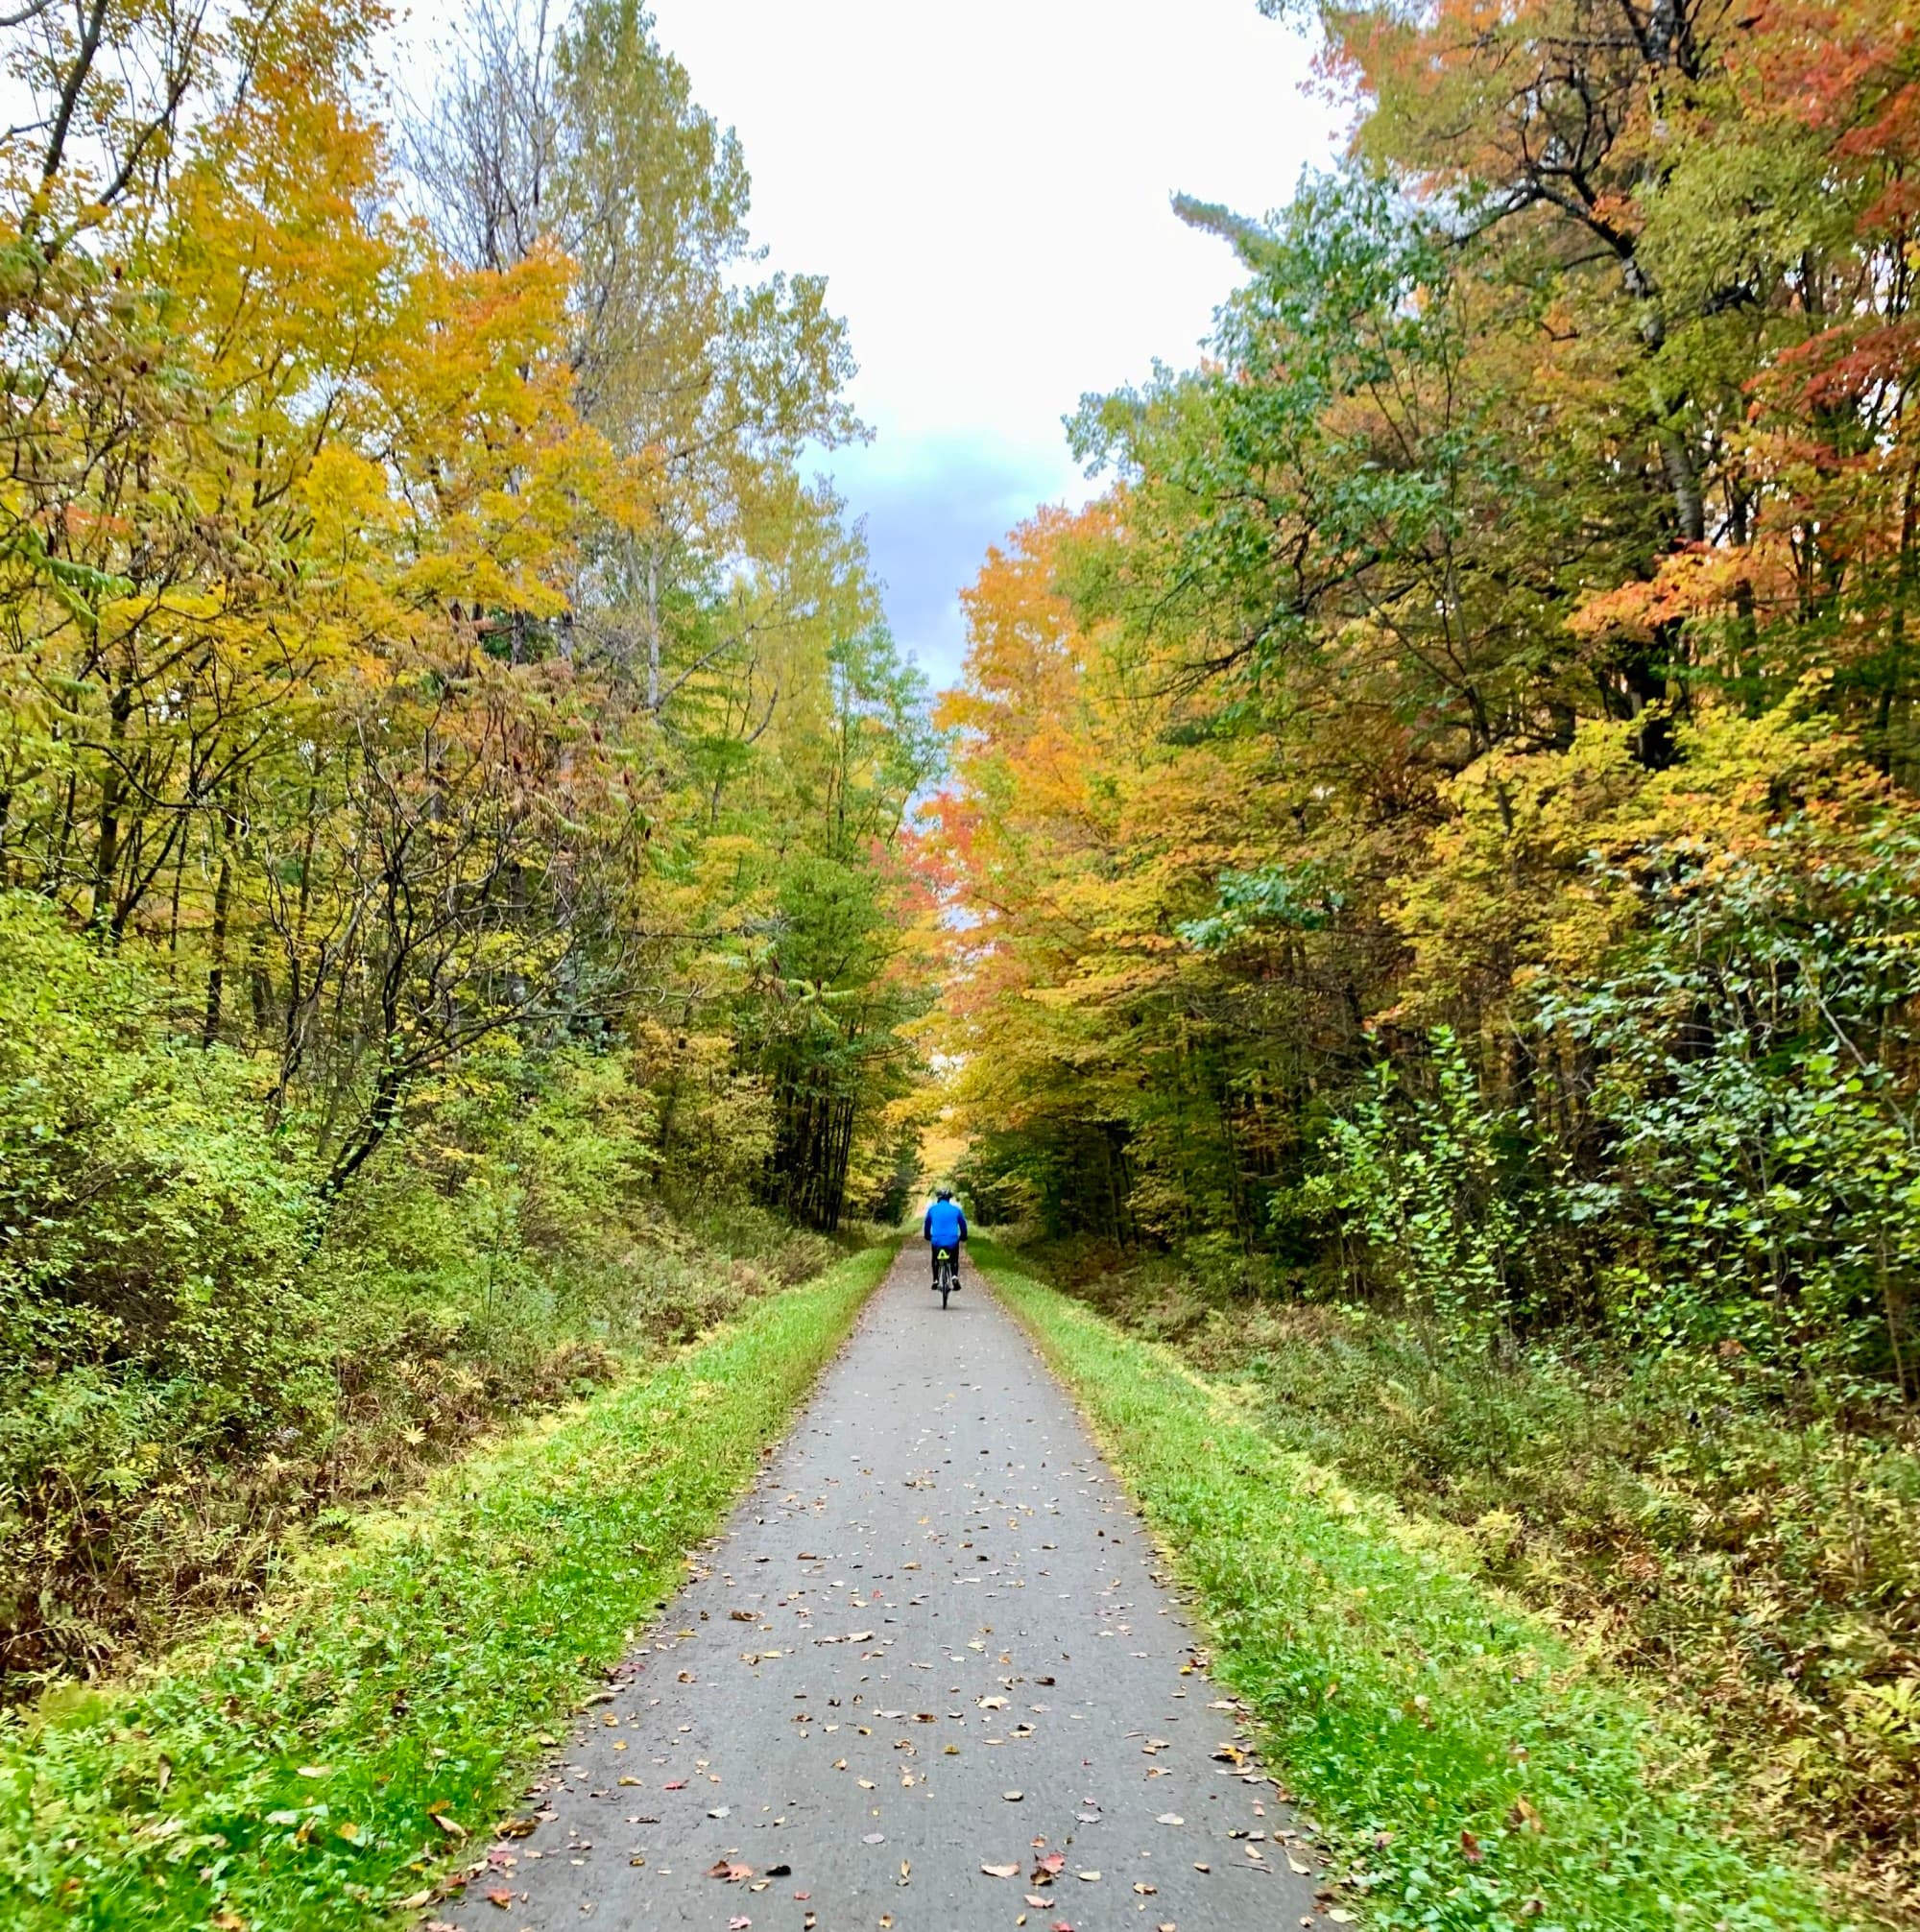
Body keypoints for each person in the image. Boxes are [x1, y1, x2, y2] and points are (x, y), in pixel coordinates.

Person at [923, 1185, 967, 1291]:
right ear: (949, 1198)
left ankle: (936, 1279)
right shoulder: (956, 1210)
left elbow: (927, 1224)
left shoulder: (932, 1210)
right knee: (954, 1258)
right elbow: (963, 1225)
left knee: (935, 1258)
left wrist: (927, 1236)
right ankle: (954, 1275)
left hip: (937, 1240)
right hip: (952, 1240)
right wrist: (963, 1236)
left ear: (938, 1198)